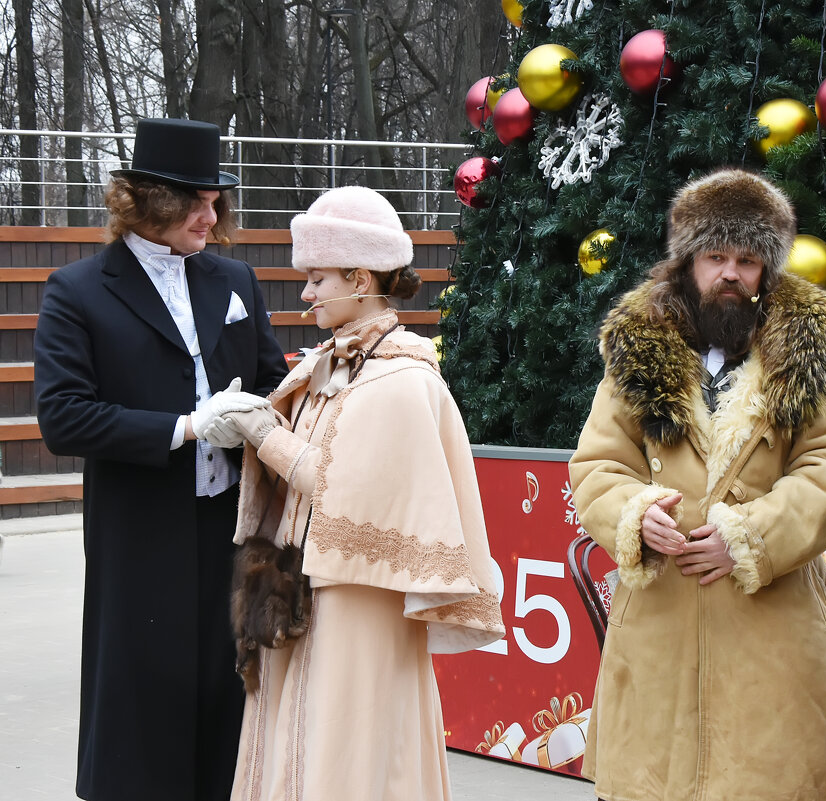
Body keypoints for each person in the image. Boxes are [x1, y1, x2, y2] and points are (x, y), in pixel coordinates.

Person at [569, 167, 826, 801]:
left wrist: (748, 537)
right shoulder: (640, 351)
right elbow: (596, 467)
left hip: (773, 638)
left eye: (748, 259)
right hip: (659, 634)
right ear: (688, 262)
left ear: (767, 271)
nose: (730, 273)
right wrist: (634, 515)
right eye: (715, 255)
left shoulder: (803, 354)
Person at [209, 185, 505, 801]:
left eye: (318, 278)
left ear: (361, 275)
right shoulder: (330, 366)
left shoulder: (399, 380)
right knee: (305, 736)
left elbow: (338, 485)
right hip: (308, 586)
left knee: (352, 743)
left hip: (357, 599)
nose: (307, 293)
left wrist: (264, 433)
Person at [33, 118, 288, 801]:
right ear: (149, 201)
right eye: (197, 201)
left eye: (216, 200)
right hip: (140, 532)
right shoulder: (78, 291)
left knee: (228, 690)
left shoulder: (235, 279)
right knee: (141, 698)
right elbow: (62, 415)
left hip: (231, 529)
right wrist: (184, 426)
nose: (212, 215)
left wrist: (258, 418)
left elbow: (271, 379)